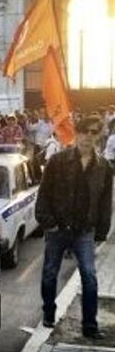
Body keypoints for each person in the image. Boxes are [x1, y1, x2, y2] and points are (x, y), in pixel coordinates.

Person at [36, 116, 113, 339]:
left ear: (99, 136)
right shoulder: (58, 161)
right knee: (50, 272)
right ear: (77, 133)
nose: (89, 136)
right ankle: (48, 312)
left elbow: (105, 202)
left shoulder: (103, 167)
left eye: (94, 132)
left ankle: (90, 325)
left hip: (84, 231)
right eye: (85, 131)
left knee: (89, 276)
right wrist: (47, 223)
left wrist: (101, 231)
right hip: (58, 228)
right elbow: (44, 194)